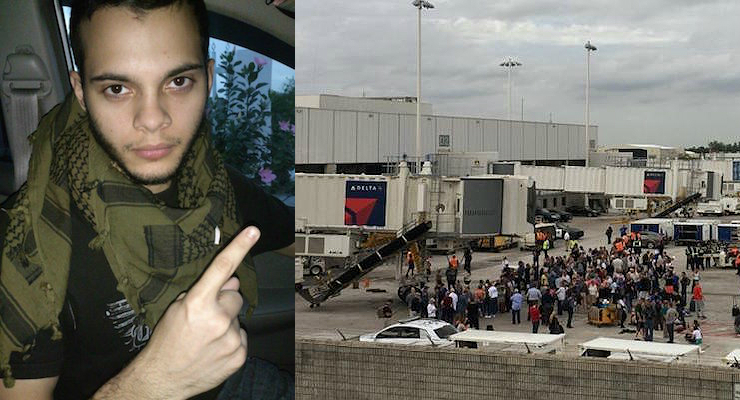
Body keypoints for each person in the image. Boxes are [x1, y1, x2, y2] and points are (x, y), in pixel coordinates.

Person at [0, 1, 295, 398]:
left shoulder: (215, 185)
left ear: (207, 78)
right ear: (81, 93)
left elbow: (305, 240)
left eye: (177, 82)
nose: (153, 119)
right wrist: (157, 382)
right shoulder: (27, 242)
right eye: (117, 89)